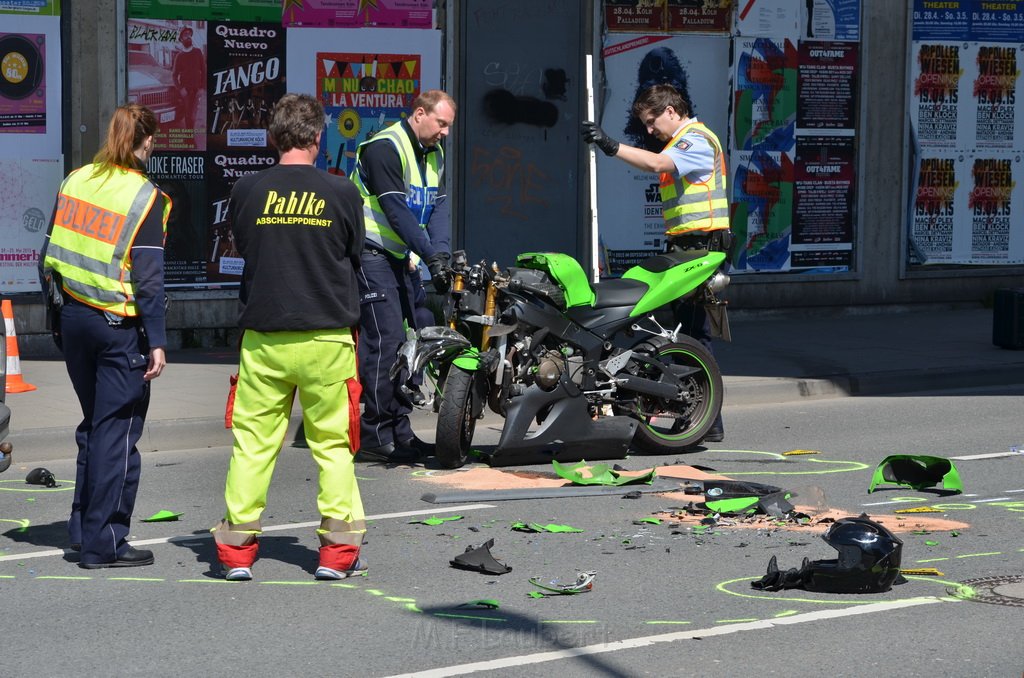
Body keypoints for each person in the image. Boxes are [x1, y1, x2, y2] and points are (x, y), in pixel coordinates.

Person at [211, 93, 367, 582]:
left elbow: (246, 244)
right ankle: (336, 555)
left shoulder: (246, 190)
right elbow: (355, 253)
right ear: (318, 138)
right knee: (333, 448)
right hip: (327, 340)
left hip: (265, 338)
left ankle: (237, 553)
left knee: (253, 447)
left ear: (273, 138)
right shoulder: (342, 193)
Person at [39, 103, 170, 568]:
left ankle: (81, 527)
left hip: (74, 318)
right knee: (118, 434)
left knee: (95, 426)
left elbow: (49, 253)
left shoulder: (76, 179)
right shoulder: (144, 196)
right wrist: (156, 339)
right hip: (119, 327)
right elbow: (149, 280)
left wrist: (56, 318)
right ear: (146, 141)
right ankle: (104, 542)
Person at [582, 83, 729, 442]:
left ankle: (706, 421)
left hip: (701, 249)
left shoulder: (694, 140)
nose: (650, 131)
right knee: (682, 331)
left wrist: (610, 145)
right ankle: (700, 417)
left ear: (671, 112)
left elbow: (657, 163)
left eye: (652, 122)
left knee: (693, 334)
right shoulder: (683, 140)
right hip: (686, 248)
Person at [352, 90, 455, 463]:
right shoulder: (384, 148)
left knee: (416, 338)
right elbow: (395, 211)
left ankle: (400, 430)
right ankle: (375, 434)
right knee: (387, 341)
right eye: (441, 124)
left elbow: (439, 208)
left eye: (448, 126)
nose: (445, 133)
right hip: (370, 253)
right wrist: (430, 255)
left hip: (400, 256)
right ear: (419, 113)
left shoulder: (434, 154)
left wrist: (440, 255)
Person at [171, 26, 204, 131]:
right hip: (186, 91)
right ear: (181, 39)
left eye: (189, 34)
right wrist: (181, 89)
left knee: (193, 115)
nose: (188, 36)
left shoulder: (198, 52)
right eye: (185, 35)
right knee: (187, 115)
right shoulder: (179, 56)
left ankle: (190, 136)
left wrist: (202, 88)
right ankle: (189, 138)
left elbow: (204, 71)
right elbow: (174, 75)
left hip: (196, 90)